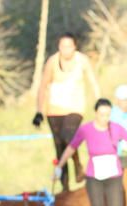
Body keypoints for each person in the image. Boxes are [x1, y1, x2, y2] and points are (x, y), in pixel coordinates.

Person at [33, 33, 100, 193]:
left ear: (75, 46)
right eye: (62, 46)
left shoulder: (81, 60)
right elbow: (43, 86)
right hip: (54, 109)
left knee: (69, 136)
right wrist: (39, 111)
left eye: (69, 46)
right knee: (59, 147)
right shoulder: (52, 61)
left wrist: (99, 102)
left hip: (75, 107)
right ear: (59, 47)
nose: (66, 50)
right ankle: (65, 188)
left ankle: (78, 166)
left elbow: (92, 81)